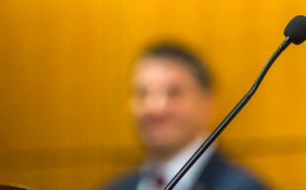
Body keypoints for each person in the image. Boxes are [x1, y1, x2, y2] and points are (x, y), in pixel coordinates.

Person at [102, 41, 267, 190]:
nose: (156, 107)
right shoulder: (115, 187)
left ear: (207, 103)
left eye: (174, 93)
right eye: (143, 94)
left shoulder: (243, 187)